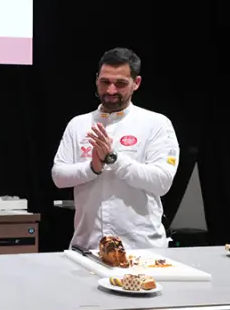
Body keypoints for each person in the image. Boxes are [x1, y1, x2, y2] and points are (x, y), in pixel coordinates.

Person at [51, 47, 180, 251]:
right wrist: (92, 168)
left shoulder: (155, 123)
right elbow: (59, 176)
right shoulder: (78, 124)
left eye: (120, 84)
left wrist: (113, 159)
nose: (111, 91)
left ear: (136, 83)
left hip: (140, 248)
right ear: (96, 80)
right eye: (105, 82)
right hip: (87, 245)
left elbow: (162, 182)